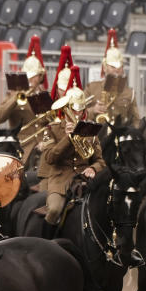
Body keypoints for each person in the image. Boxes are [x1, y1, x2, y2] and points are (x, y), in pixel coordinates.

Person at [37, 82, 105, 234]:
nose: (77, 115)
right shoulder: (53, 129)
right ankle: (46, 244)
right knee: (54, 210)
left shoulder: (90, 130)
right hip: (60, 182)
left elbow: (100, 161)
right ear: (66, 109)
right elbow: (49, 158)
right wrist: (67, 138)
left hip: (84, 181)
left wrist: (93, 168)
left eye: (80, 111)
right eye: (73, 110)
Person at [0, 34, 48, 168]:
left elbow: (49, 122)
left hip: (44, 147)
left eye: (33, 77)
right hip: (23, 146)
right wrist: (16, 98)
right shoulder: (13, 94)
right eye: (27, 76)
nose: (30, 80)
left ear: (40, 77)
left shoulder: (45, 94)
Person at [84, 29, 140, 127]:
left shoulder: (129, 92)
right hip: (96, 136)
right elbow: (79, 113)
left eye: (119, 67)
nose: (116, 70)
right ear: (105, 67)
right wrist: (93, 110)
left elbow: (136, 120)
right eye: (113, 67)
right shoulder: (92, 88)